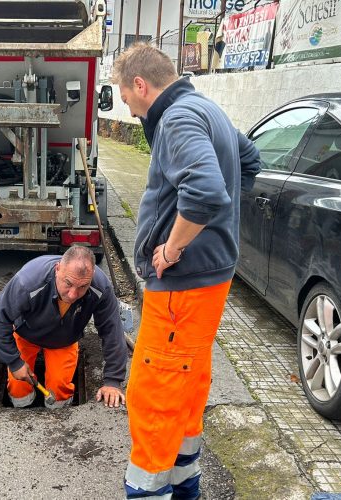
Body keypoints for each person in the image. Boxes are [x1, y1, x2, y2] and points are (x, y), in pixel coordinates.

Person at [111, 43, 261, 499]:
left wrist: (174, 248)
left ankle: (149, 490)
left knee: (154, 391)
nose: (125, 105)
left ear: (141, 84)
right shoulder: (207, 109)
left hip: (182, 283)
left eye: (123, 93)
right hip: (210, 278)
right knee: (187, 382)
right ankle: (182, 483)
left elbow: (206, 192)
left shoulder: (176, 119)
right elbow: (249, 161)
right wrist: (218, 229)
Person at [0, 246, 127, 409]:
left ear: (92, 277)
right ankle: (21, 409)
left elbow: (112, 331)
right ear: (57, 269)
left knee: (59, 390)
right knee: (18, 387)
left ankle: (58, 412)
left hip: (64, 340)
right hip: (26, 334)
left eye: (83, 287)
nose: (73, 294)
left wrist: (113, 380)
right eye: (68, 283)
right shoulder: (29, 282)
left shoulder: (101, 288)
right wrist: (14, 361)